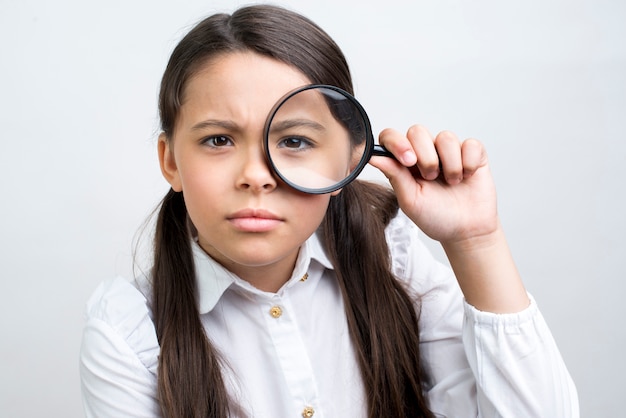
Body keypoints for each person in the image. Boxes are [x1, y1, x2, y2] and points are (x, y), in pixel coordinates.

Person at [79, 4, 579, 418]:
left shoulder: (394, 259)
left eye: (294, 140)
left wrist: (475, 241)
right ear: (171, 162)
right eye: (218, 139)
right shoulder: (129, 333)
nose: (256, 175)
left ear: (348, 160)